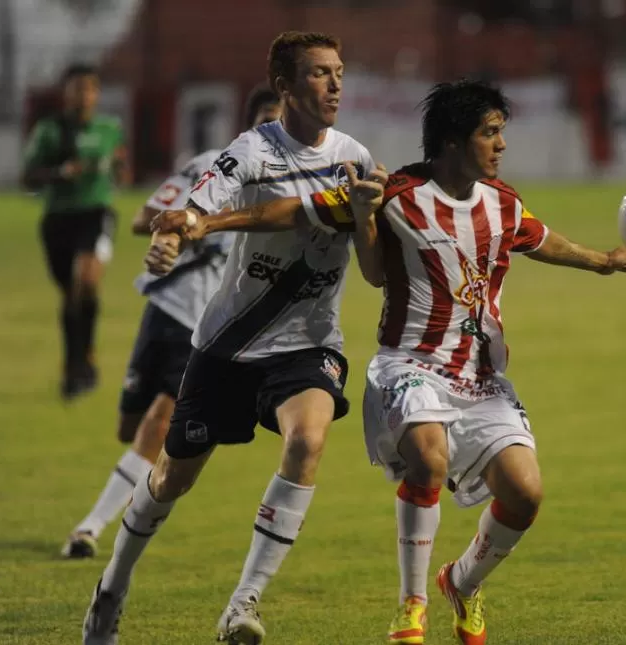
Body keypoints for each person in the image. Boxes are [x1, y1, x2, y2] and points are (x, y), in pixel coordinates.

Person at [81, 31, 387, 645]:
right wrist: (177, 232)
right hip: (228, 343)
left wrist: (366, 216)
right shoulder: (252, 150)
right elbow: (201, 204)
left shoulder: (356, 157)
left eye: (339, 72)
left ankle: (243, 603)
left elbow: (376, 272)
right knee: (171, 480)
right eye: (321, 74)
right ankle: (111, 589)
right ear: (287, 88)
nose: (335, 84)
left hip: (310, 342)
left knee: (308, 440)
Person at [318, 79, 626, 645]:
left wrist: (601, 261)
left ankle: (461, 583)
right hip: (410, 364)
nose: (501, 144)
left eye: (501, 132)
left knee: (525, 493)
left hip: (479, 377)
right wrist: (365, 219)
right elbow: (373, 272)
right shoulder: (399, 194)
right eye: (489, 132)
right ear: (451, 141)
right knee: (427, 454)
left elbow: (541, 239)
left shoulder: (503, 203)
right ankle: (410, 608)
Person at [60, 87, 280, 559]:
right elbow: (143, 218)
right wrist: (183, 231)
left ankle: (91, 529)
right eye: (265, 120)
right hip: (164, 309)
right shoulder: (208, 165)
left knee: (159, 422)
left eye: (280, 122)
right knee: (130, 427)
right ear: (248, 126)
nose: (272, 131)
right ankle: (146, 489)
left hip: (209, 324)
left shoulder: (291, 190)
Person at [22, 63, 129, 399]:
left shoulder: (110, 128)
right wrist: (59, 172)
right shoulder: (50, 131)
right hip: (57, 218)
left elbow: (122, 167)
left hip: (95, 214)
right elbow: (28, 178)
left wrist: (119, 168)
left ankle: (86, 358)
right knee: (70, 295)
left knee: (86, 279)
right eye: (76, 89)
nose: (83, 95)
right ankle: (74, 363)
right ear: (66, 93)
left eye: (89, 88)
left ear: (97, 93)